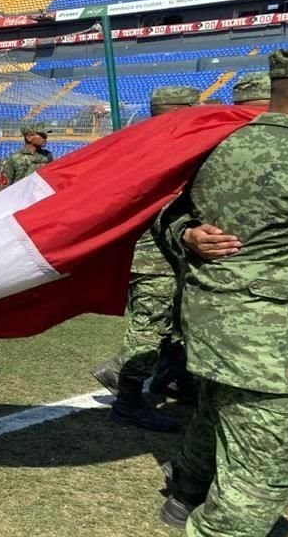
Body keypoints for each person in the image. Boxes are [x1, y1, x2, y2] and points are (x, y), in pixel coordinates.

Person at [156, 49, 288, 533]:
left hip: (211, 317)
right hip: (274, 339)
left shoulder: (216, 143)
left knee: (216, 415)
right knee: (269, 465)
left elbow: (164, 209)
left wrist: (187, 234)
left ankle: (186, 492)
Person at [91, 85, 201, 433]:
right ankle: (127, 398)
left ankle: (175, 379)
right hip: (153, 256)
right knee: (150, 326)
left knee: (175, 321)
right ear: (180, 110)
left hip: (160, 254)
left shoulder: (143, 143)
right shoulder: (161, 149)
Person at [0, 124, 54, 190]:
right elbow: (3, 186)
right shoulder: (14, 158)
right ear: (29, 137)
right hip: (20, 198)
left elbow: (51, 180)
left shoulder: (48, 156)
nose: (45, 138)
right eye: (42, 135)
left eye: (46, 136)